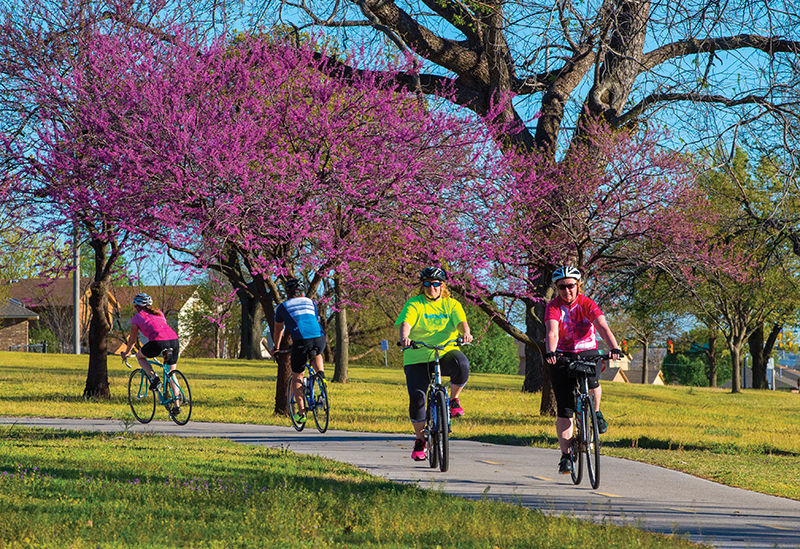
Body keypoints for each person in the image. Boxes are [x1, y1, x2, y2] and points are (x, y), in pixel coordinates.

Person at [543, 266, 622, 475]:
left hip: (587, 351)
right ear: (557, 288)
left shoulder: (587, 304)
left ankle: (595, 412)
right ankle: (566, 455)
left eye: (570, 286)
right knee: (565, 409)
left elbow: (602, 326)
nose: (566, 290)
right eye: (561, 287)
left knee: (594, 381)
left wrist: (613, 347)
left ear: (578, 286)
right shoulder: (553, 307)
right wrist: (550, 352)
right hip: (561, 354)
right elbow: (552, 332)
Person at [396, 267, 474, 461]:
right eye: (428, 284)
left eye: (437, 284)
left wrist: (466, 333)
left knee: (462, 364)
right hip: (417, 355)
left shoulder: (452, 304)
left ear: (443, 286)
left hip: (444, 352)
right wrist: (405, 337)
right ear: (423, 286)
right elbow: (406, 323)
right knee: (417, 398)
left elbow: (461, 323)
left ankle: (453, 399)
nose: (432, 287)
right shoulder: (414, 303)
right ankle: (420, 440)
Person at [271, 278, 326, 426]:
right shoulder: (310, 302)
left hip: (301, 340)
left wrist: (276, 348)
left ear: (287, 293)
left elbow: (278, 330)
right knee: (317, 352)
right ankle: (321, 376)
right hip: (320, 338)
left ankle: (301, 414)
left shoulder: (282, 307)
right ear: (301, 293)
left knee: (297, 376)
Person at [121, 293, 181, 400]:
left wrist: (126, 353)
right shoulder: (159, 312)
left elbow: (132, 340)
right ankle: (176, 405)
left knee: (140, 357)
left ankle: (155, 378)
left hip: (157, 342)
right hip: (174, 341)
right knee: (171, 374)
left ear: (137, 306)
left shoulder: (137, 318)